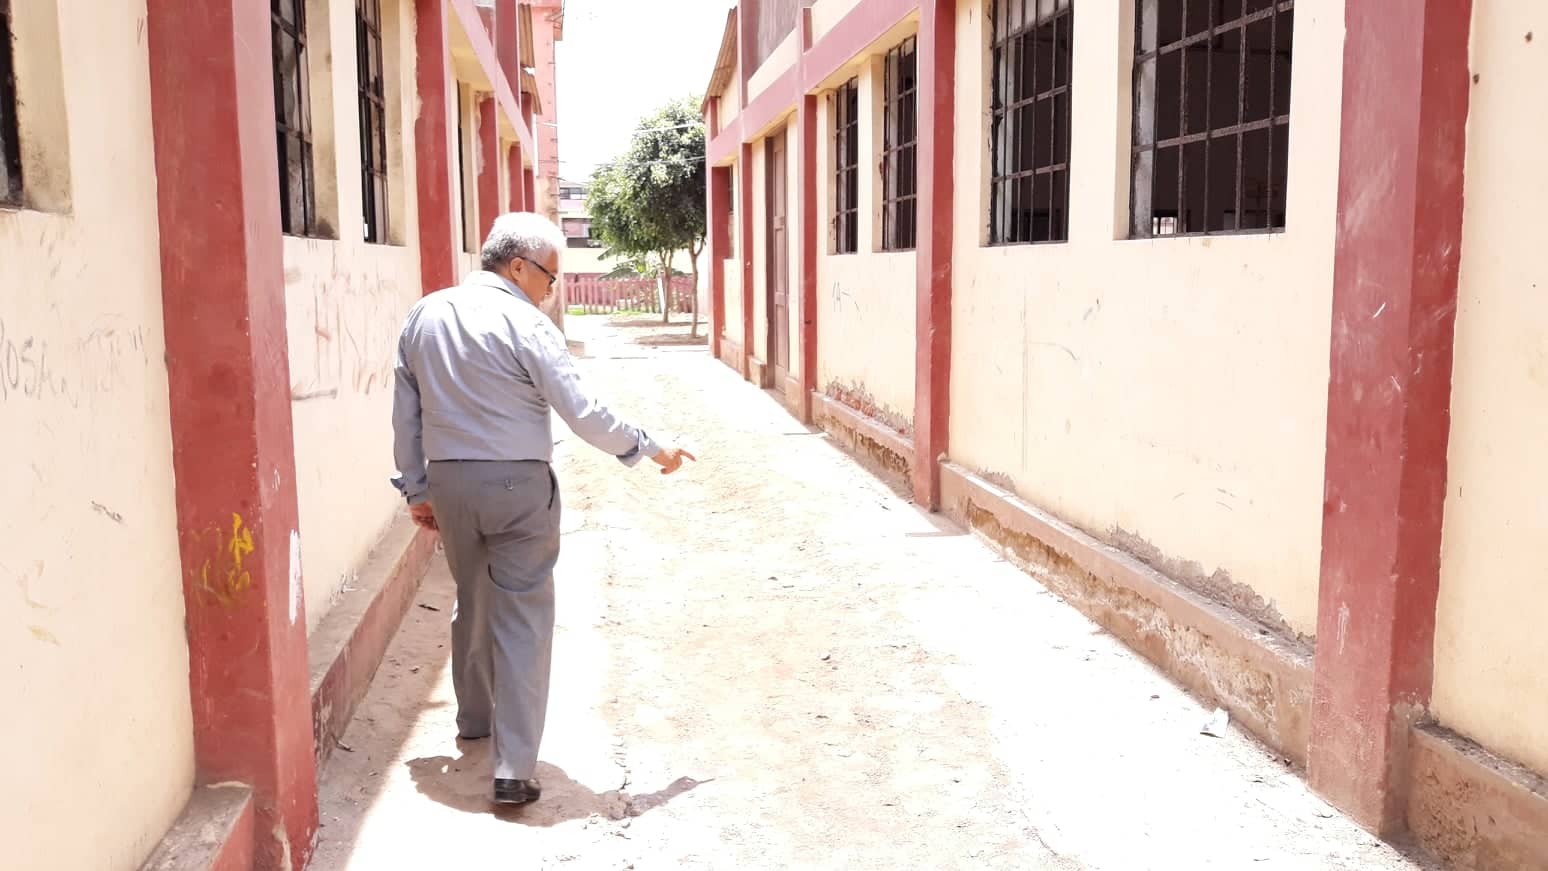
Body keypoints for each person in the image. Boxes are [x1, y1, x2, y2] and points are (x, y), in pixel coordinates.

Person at [391, 212, 696, 806]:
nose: (550, 291)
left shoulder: (424, 315)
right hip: (517, 486)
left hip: (451, 484)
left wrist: (417, 487)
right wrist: (648, 446)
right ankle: (512, 769)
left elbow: (406, 409)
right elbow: (581, 410)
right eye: (550, 279)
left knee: (471, 597)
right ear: (517, 267)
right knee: (523, 615)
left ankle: (473, 723)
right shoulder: (525, 324)